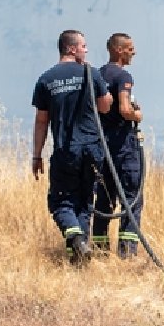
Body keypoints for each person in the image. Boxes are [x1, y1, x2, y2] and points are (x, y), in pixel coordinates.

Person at [32, 29, 113, 266]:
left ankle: (77, 240)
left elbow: (41, 121)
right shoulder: (91, 73)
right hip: (92, 149)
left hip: (66, 151)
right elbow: (105, 107)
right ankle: (79, 257)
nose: (86, 50)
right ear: (71, 48)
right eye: (83, 46)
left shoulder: (46, 79)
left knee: (62, 202)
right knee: (84, 202)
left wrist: (37, 155)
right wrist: (104, 92)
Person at [92, 33, 145, 259]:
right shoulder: (124, 76)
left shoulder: (97, 75)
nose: (134, 52)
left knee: (104, 200)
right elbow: (124, 109)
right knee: (132, 199)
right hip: (123, 147)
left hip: (102, 147)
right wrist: (136, 115)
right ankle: (127, 253)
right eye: (130, 49)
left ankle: (99, 251)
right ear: (118, 50)